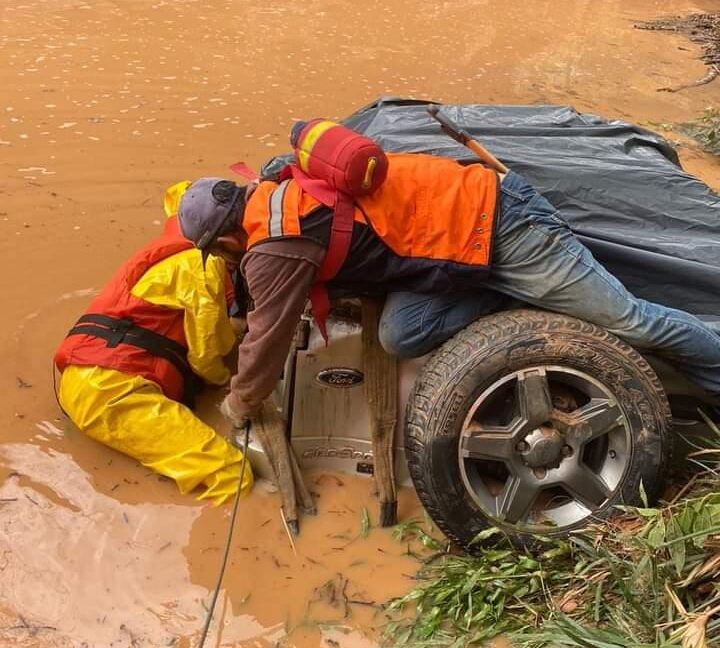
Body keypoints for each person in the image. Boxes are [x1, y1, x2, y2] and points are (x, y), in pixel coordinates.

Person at [176, 152, 720, 427]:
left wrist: (241, 404)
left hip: (504, 227)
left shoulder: (273, 245)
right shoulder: (278, 184)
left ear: (223, 236)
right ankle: (521, 300)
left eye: (218, 250)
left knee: (629, 322)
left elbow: (265, 341)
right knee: (400, 333)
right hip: (449, 259)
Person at [54, 181, 253, 504]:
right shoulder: (202, 266)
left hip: (89, 376)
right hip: (111, 393)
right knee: (234, 473)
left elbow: (178, 190)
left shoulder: (184, 225)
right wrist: (231, 386)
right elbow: (206, 360)